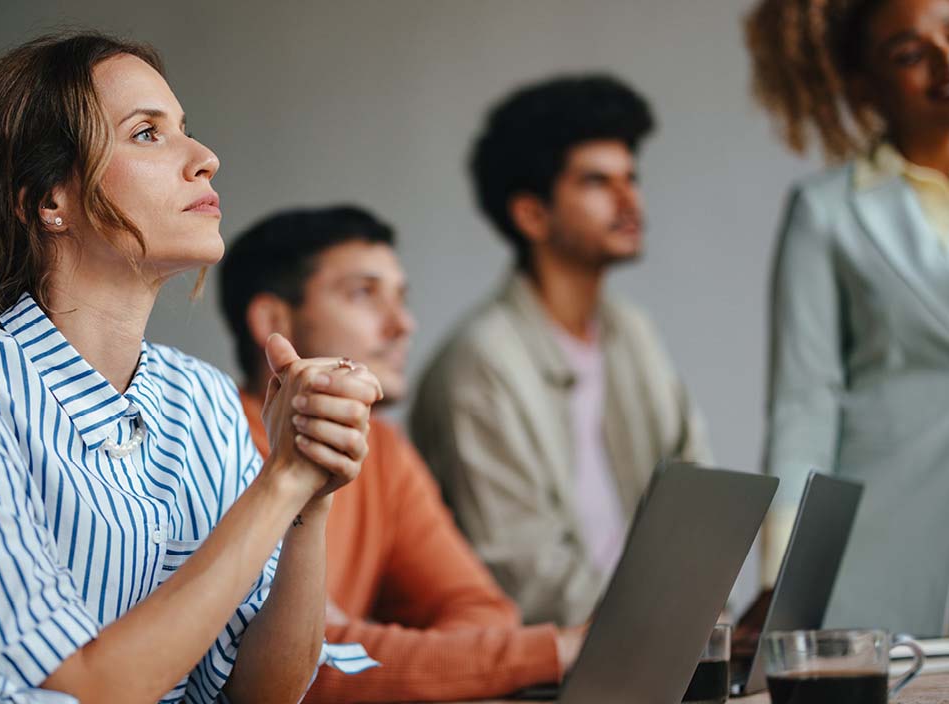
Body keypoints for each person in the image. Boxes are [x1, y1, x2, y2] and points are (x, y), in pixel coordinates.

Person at [0, 32, 382, 703]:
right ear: (49, 201)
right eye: (148, 134)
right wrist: (277, 484)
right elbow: (83, 690)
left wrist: (308, 495)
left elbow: (262, 692)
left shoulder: (202, 400)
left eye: (184, 129)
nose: (206, 159)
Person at [218, 205, 587, 703]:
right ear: (273, 320)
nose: (403, 324)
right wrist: (553, 651)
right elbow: (298, 665)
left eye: (401, 298)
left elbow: (483, 610)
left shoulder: (385, 451)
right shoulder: (213, 440)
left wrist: (368, 644)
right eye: (364, 293)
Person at [410, 75, 712, 627]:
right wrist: (656, 632)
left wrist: (701, 625)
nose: (629, 199)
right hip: (561, 665)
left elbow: (698, 497)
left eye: (631, 177)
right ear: (531, 214)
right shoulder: (480, 364)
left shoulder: (632, 333)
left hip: (660, 646)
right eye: (597, 181)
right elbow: (519, 568)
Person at [747, 0, 949, 635]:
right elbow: (805, 404)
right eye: (910, 54)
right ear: (864, 83)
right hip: (883, 549)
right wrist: (786, 581)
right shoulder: (826, 212)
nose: (946, 60)